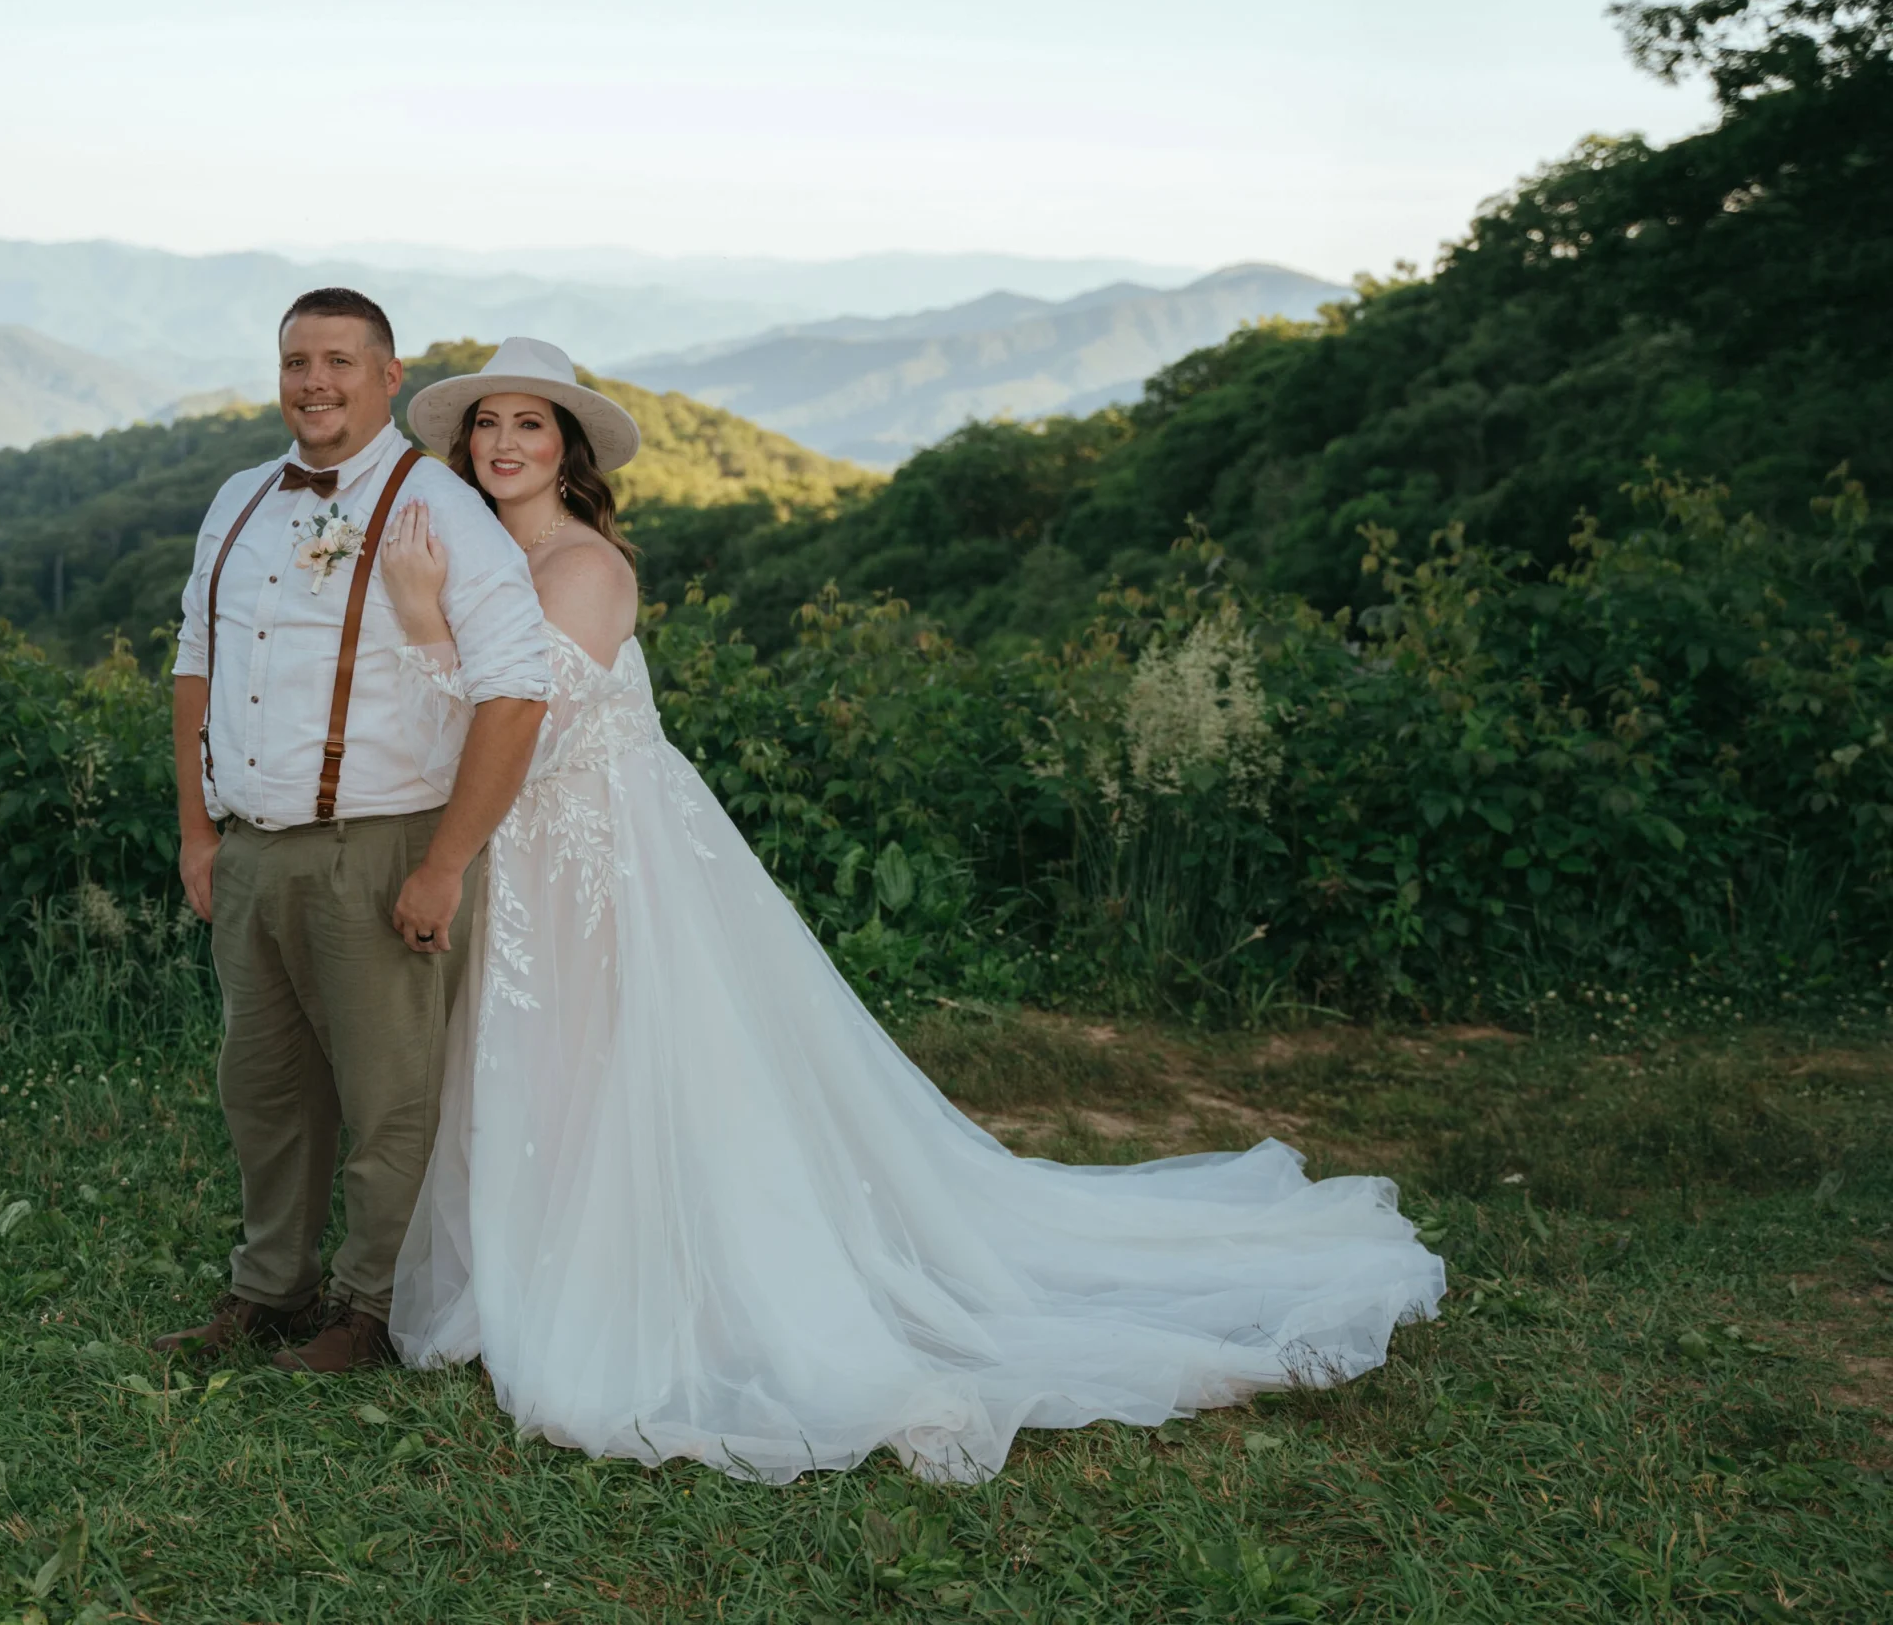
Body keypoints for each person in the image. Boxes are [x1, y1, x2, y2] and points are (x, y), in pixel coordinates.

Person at [380, 337, 1448, 1482]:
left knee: (611, 1062)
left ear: (568, 447)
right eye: (484, 425)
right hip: (526, 854)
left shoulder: (585, 569)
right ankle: (533, 1275)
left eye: (529, 425)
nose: (502, 444)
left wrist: (418, 613)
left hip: (602, 853)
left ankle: (629, 1288)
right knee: (545, 1061)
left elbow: (517, 731)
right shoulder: (486, 556)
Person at [158, 290, 549, 1375]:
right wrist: (198, 834)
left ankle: (369, 1309)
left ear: (387, 377)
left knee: (389, 1096)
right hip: (249, 849)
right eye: (295, 361)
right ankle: (268, 1288)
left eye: (337, 360)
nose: (312, 382)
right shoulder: (238, 498)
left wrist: (444, 863)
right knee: (264, 1088)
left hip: (377, 847)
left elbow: (517, 691)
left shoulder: (443, 509)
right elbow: (195, 664)